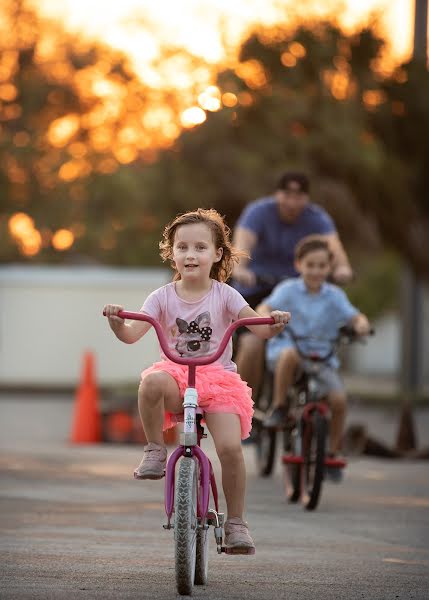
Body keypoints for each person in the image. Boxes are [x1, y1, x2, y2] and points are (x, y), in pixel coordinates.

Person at [104, 208, 290, 553]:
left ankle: (236, 522)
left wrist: (273, 323)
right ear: (171, 253)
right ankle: (156, 450)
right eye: (183, 247)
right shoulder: (161, 297)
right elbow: (132, 335)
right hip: (176, 375)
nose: (191, 255)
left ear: (217, 254)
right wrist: (117, 323)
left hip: (217, 379)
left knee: (231, 449)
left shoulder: (225, 295)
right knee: (150, 383)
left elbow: (257, 328)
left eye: (200, 248)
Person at [231, 171, 353, 402]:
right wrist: (241, 269)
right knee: (253, 343)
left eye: (299, 196)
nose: (292, 202)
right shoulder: (258, 212)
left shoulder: (317, 218)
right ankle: (242, 408)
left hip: (298, 292)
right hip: (258, 289)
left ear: (307, 198)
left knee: (313, 338)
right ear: (277, 194)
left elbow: (334, 248)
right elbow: (243, 243)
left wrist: (342, 268)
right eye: (286, 194)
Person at [257, 236, 370, 480]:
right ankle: (279, 406)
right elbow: (264, 307)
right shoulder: (287, 290)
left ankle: (332, 452)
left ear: (329, 267)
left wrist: (361, 324)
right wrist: (268, 316)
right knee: (289, 355)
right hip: (291, 350)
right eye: (310, 265)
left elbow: (355, 316)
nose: (316, 271)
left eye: (322, 266)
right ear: (299, 265)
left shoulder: (335, 295)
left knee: (339, 400)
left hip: (322, 357)